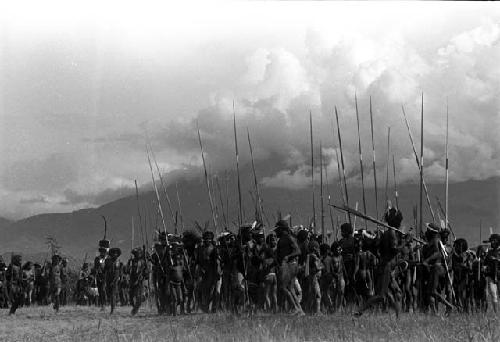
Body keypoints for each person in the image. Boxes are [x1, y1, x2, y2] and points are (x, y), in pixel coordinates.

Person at [275, 219, 303, 315]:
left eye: (277, 230)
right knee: (290, 289)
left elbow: (298, 251)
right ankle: (300, 310)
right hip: (288, 265)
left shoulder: (289, 238)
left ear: (282, 229)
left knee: (283, 287)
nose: (275, 232)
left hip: (290, 265)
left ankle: (295, 307)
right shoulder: (283, 239)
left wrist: (288, 257)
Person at [128, 247, 148, 315]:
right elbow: (128, 271)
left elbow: (146, 272)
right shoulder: (131, 261)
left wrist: (145, 273)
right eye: (136, 254)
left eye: (138, 253)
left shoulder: (143, 262)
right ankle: (134, 307)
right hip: (133, 280)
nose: (137, 255)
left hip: (140, 281)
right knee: (131, 297)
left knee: (138, 297)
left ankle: (135, 310)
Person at [484, 233, 500, 313]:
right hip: (491, 276)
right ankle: (496, 312)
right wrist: (485, 267)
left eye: (494, 241)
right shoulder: (489, 252)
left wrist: (497, 260)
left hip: (499, 276)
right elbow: (485, 263)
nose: (492, 243)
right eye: (492, 241)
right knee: (494, 295)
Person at [105, 247, 122, 314]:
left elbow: (117, 273)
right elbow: (105, 269)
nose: (115, 254)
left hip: (114, 280)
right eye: (113, 253)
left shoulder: (117, 262)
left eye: (116, 253)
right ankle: (113, 304)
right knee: (109, 294)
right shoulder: (107, 261)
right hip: (108, 279)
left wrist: (114, 281)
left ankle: (112, 309)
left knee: (113, 294)